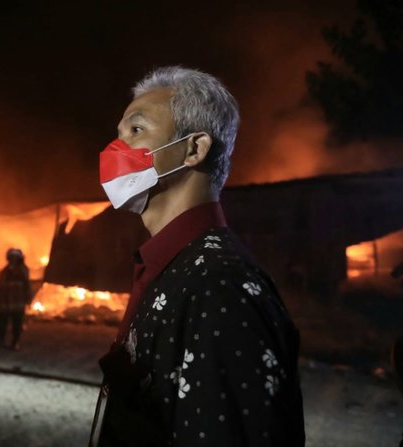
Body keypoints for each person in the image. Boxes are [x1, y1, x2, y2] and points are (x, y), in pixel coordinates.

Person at [89, 66, 304, 446]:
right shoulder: (175, 268)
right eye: (117, 135)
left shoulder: (220, 287)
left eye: (136, 131)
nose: (114, 150)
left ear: (193, 149)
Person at [0, 248, 32, 350]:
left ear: (19, 258)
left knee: (17, 325)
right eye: (11, 257)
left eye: (15, 257)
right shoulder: (4, 272)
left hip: (17, 304)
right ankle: (1, 341)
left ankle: (15, 343)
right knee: (1, 324)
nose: (12, 259)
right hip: (4, 304)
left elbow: (27, 286)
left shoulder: (23, 271)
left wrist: (28, 299)